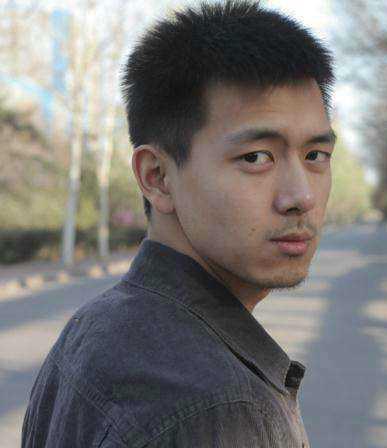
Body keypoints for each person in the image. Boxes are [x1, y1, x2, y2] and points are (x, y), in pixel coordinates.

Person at [21, 1, 336, 446]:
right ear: (157, 177)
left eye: (315, 155)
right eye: (255, 157)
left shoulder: (92, 327)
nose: (301, 197)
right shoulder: (217, 408)